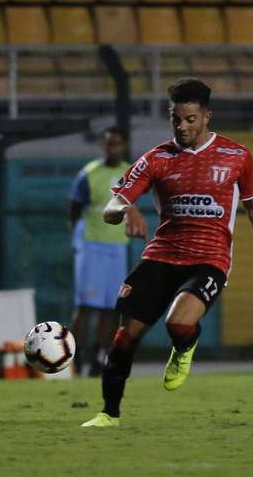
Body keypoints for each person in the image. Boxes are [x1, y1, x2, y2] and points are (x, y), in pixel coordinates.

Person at [82, 78, 253, 427]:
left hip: (210, 258)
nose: (182, 126)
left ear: (207, 116)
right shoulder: (156, 159)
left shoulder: (237, 156)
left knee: (178, 323)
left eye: (190, 119)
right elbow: (111, 207)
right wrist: (126, 209)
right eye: (176, 119)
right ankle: (108, 414)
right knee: (124, 337)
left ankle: (183, 347)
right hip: (162, 255)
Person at [69, 127, 147, 376]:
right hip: (91, 247)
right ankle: (74, 358)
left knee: (109, 307)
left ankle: (98, 358)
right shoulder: (89, 174)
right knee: (85, 306)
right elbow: (74, 210)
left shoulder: (130, 173)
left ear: (124, 145)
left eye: (116, 143)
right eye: (108, 144)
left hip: (116, 248)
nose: (111, 148)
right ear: (102, 146)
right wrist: (78, 241)